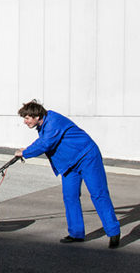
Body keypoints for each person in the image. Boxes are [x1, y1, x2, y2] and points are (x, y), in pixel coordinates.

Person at [15, 99, 122, 249]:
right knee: (70, 196)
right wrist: (25, 150)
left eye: (27, 118)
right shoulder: (43, 125)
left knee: (98, 193)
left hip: (87, 156)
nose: (25, 122)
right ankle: (76, 233)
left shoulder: (53, 121)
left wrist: (25, 152)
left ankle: (113, 232)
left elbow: (46, 143)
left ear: (37, 116)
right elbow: (44, 142)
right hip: (69, 164)